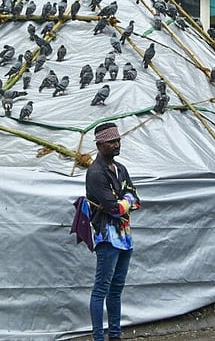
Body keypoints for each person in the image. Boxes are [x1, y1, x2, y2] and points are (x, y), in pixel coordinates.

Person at [85, 122, 141, 341]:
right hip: (107, 236)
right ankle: (99, 337)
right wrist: (126, 199)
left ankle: (115, 335)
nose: (116, 145)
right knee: (101, 289)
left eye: (118, 140)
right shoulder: (95, 173)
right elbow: (114, 209)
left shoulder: (121, 169)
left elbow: (137, 199)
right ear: (100, 145)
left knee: (116, 288)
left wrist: (125, 200)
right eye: (111, 141)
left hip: (125, 236)